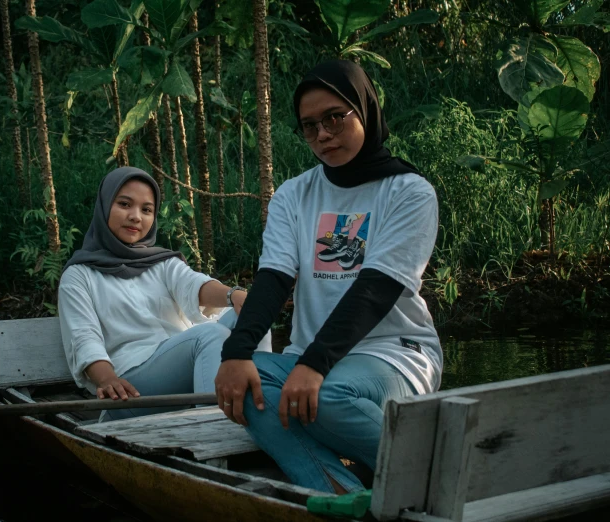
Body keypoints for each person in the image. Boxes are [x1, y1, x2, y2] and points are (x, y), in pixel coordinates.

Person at [214, 60, 443, 494]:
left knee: (330, 399)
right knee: (246, 386)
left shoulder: (408, 191)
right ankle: (339, 491)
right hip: (313, 358)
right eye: (309, 125)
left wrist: (315, 364)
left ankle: (429, 482)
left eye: (335, 118)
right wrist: (236, 351)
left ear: (365, 108)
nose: (322, 135)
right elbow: (274, 277)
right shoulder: (294, 194)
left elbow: (377, 289)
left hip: (394, 354)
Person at [58, 166, 269, 422]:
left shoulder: (161, 262)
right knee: (209, 335)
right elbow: (83, 337)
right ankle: (215, 433)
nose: (136, 217)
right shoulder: (80, 275)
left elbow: (194, 285)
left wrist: (233, 295)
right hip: (132, 386)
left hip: (182, 366)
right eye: (125, 204)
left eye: (146, 210)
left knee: (253, 313)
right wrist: (107, 379)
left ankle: (261, 407)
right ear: (104, 207)